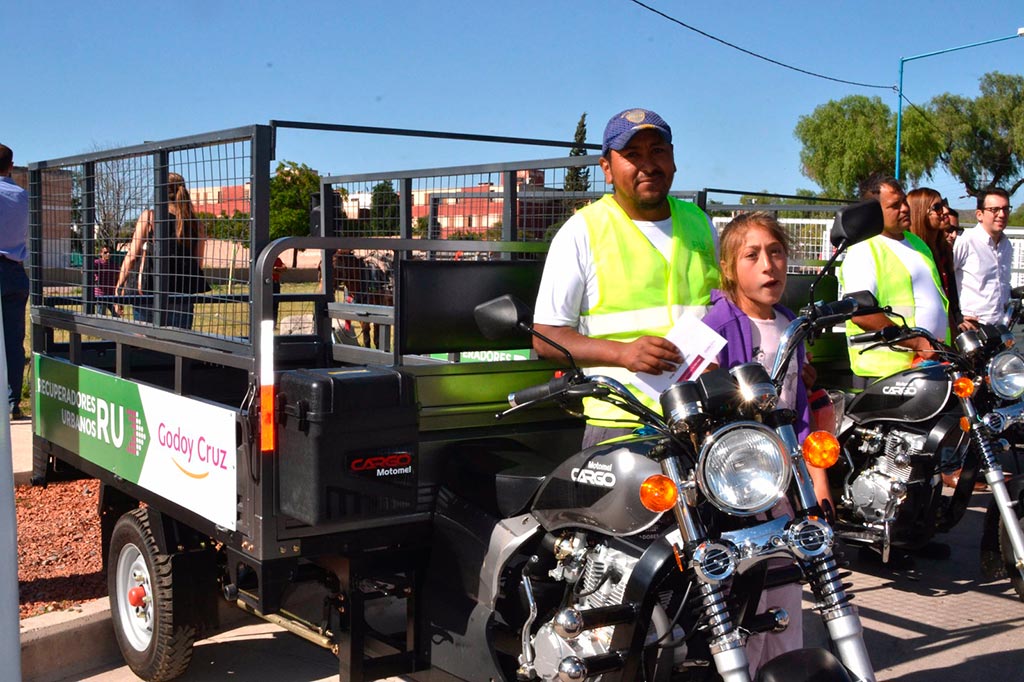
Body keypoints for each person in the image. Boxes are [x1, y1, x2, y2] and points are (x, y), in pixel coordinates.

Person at [533, 108, 720, 448]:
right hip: (621, 423)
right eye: (632, 155)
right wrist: (623, 354)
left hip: (701, 416)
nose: (648, 164)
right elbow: (545, 339)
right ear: (607, 168)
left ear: (674, 159)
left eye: (658, 151)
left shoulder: (701, 224)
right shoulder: (582, 232)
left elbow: (727, 310)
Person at [701, 211, 832, 676]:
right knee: (742, 596)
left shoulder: (790, 323)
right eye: (752, 255)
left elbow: (799, 414)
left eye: (775, 253)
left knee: (785, 586)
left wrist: (817, 484)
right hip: (737, 488)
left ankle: (784, 667)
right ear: (729, 268)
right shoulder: (718, 321)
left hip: (785, 485)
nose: (768, 266)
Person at [839, 174, 946, 384]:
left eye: (904, 201)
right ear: (875, 212)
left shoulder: (918, 244)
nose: (905, 208)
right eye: (895, 206)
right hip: (883, 375)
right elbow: (860, 314)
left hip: (927, 366)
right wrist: (916, 343)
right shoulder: (864, 249)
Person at [116, 173, 208, 328]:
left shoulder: (150, 217)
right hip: (181, 292)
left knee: (144, 344)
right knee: (180, 343)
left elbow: (132, 256)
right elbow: (198, 264)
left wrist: (119, 287)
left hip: (149, 292)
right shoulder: (195, 224)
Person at [954, 187, 1013, 327]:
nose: (1002, 214)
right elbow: (945, 280)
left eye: (1005, 209)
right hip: (972, 327)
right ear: (979, 214)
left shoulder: (1007, 245)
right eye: (994, 210)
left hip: (1000, 327)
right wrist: (956, 316)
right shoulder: (966, 241)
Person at [0, 144, 29, 420]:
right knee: (13, 341)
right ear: (11, 166)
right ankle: (12, 402)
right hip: (15, 270)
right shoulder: (23, 196)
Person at [907, 187, 962, 332]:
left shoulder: (944, 250)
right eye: (937, 207)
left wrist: (958, 320)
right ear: (920, 212)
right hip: (919, 335)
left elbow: (950, 298)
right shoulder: (910, 251)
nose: (945, 211)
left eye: (944, 204)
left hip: (945, 336)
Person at [93, 246, 120, 317]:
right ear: (101, 253)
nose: (108, 254)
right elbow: (86, 270)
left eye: (109, 252)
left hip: (111, 294)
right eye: (105, 252)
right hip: (100, 295)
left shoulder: (113, 264)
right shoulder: (97, 263)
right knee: (101, 316)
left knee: (117, 316)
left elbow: (119, 275)